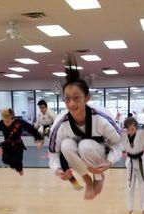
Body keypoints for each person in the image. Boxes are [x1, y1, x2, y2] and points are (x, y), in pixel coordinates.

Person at [48, 56, 123, 200]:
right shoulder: (60, 123)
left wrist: (109, 162)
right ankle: (87, 181)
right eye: (67, 98)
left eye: (76, 98)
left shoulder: (101, 118)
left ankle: (98, 178)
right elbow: (53, 152)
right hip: (76, 154)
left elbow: (119, 143)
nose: (71, 104)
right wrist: (58, 170)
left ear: (87, 98)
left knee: (85, 145)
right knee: (66, 145)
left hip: (98, 152)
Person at [0, 108, 44, 176]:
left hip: (18, 145)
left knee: (17, 161)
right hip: (7, 145)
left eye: (8, 121)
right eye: (4, 121)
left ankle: (19, 168)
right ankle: (18, 167)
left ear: (12, 118)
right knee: (5, 160)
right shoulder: (1, 123)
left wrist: (38, 138)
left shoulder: (19, 122)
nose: (6, 123)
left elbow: (31, 129)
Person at [123, 117, 144, 214]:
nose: (130, 131)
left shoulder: (141, 134)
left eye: (132, 129)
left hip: (140, 161)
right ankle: (129, 209)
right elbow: (113, 132)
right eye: (128, 129)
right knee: (130, 186)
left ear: (135, 128)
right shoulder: (123, 135)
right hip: (130, 162)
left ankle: (143, 210)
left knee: (143, 185)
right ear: (126, 129)